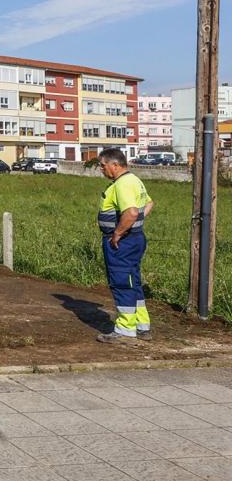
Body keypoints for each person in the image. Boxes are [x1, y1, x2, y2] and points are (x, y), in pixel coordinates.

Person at [95, 147, 154, 344]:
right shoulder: (134, 180)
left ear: (115, 165)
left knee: (122, 282)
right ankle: (141, 325)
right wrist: (135, 224)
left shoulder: (122, 184)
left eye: (103, 166)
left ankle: (125, 330)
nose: (101, 170)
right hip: (135, 238)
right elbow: (149, 204)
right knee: (133, 281)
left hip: (123, 242)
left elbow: (130, 212)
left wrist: (118, 234)